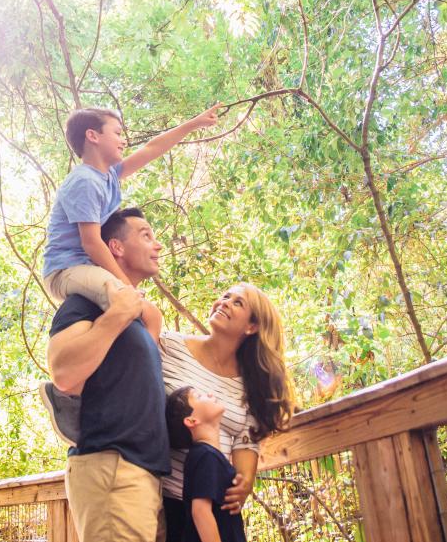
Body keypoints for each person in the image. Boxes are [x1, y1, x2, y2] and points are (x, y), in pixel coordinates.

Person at [39, 105, 219, 445]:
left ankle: (136, 384)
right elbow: (92, 243)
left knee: (148, 313)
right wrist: (124, 287)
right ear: (93, 136)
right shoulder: (84, 182)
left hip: (83, 267)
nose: (124, 139)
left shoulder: (108, 176)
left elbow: (152, 150)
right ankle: (68, 400)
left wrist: (192, 123)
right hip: (66, 270)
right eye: (117, 132)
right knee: (143, 309)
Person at [46, 208, 169, 542]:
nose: (158, 245)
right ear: (115, 247)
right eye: (146, 235)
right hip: (113, 469)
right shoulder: (84, 302)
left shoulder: (141, 320)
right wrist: (117, 315)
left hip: (146, 474)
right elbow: (64, 372)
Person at [159, 284, 296, 542]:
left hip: (215, 507)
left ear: (252, 327)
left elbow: (247, 445)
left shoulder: (251, 385)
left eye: (237, 302)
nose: (224, 302)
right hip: (162, 498)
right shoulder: (169, 345)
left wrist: (242, 485)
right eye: (224, 296)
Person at [165, 386, 246, 542]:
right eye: (199, 395)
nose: (209, 393)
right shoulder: (206, 456)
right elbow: (200, 511)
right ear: (191, 421)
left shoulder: (206, 455)